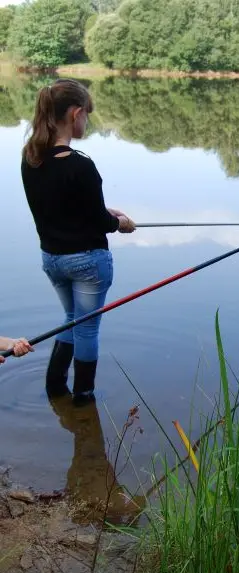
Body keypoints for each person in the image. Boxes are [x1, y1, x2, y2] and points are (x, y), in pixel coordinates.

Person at [20, 78, 136, 402]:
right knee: (86, 328)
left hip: (52, 260)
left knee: (72, 319)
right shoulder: (81, 165)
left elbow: (60, 205)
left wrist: (105, 212)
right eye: (87, 114)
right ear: (75, 113)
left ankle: (55, 387)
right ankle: (84, 398)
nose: (87, 121)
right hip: (87, 263)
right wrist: (120, 224)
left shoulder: (31, 159)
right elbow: (100, 221)